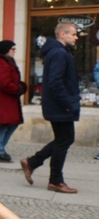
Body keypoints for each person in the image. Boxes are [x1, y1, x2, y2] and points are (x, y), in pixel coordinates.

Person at [20, 22, 80, 193]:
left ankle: (32, 163)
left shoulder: (59, 52)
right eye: (73, 34)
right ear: (63, 35)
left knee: (63, 139)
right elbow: (55, 82)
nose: (76, 37)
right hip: (61, 107)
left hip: (59, 106)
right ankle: (55, 180)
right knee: (64, 140)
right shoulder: (59, 53)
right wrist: (68, 103)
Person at [0, 41, 26, 162]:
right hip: (3, 98)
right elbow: (4, 82)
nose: (14, 51)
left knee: (11, 123)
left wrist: (19, 86)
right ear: (6, 50)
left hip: (8, 97)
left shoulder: (7, 61)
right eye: (12, 49)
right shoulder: (1, 62)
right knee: (4, 125)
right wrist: (17, 89)